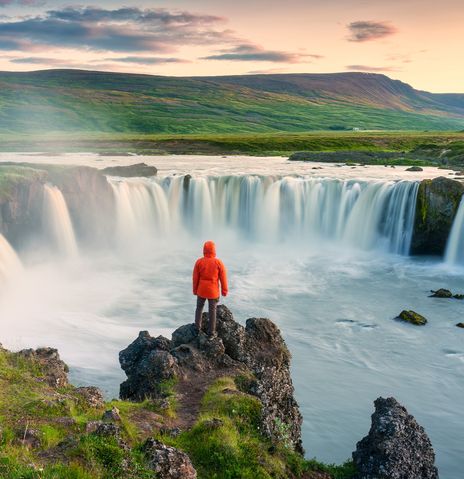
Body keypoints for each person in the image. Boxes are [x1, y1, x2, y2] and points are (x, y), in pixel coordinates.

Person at [192, 240, 228, 337]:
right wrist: (224, 290)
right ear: (214, 251)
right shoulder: (218, 262)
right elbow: (223, 277)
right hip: (213, 292)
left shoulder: (199, 262)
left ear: (204, 250)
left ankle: (196, 328)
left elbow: (195, 278)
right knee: (212, 311)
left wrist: (195, 290)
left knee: (199, 308)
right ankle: (211, 333)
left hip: (201, 290)